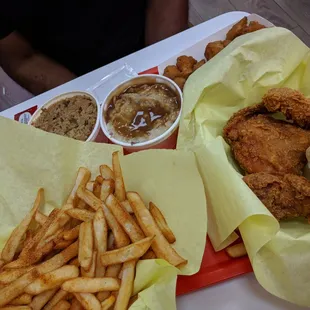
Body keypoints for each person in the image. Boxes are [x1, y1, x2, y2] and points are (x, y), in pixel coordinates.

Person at [0, 0, 188, 96]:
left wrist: (166, 76)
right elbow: (20, 58)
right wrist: (92, 102)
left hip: (151, 37)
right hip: (66, 72)